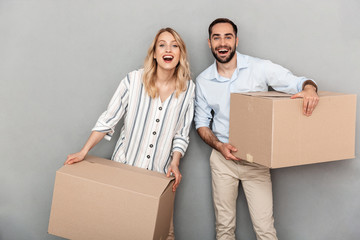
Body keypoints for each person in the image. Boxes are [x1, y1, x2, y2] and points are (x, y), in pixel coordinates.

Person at [194, 18, 319, 240]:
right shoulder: (203, 81)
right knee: (224, 229)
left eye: (228, 37)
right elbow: (202, 124)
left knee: (265, 230)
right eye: (216, 37)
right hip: (222, 161)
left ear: (236, 40)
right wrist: (219, 146)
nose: (222, 43)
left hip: (255, 161)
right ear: (209, 42)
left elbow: (298, 82)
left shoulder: (259, 68)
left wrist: (309, 89)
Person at [65, 27, 195, 240]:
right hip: (124, 173)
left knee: (164, 234)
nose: (168, 49)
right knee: (120, 231)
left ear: (181, 53)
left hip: (160, 178)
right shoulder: (133, 80)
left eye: (175, 45)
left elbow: (181, 133)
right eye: (162, 45)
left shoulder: (188, 89)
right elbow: (109, 118)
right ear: (154, 53)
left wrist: (175, 162)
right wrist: (83, 151)